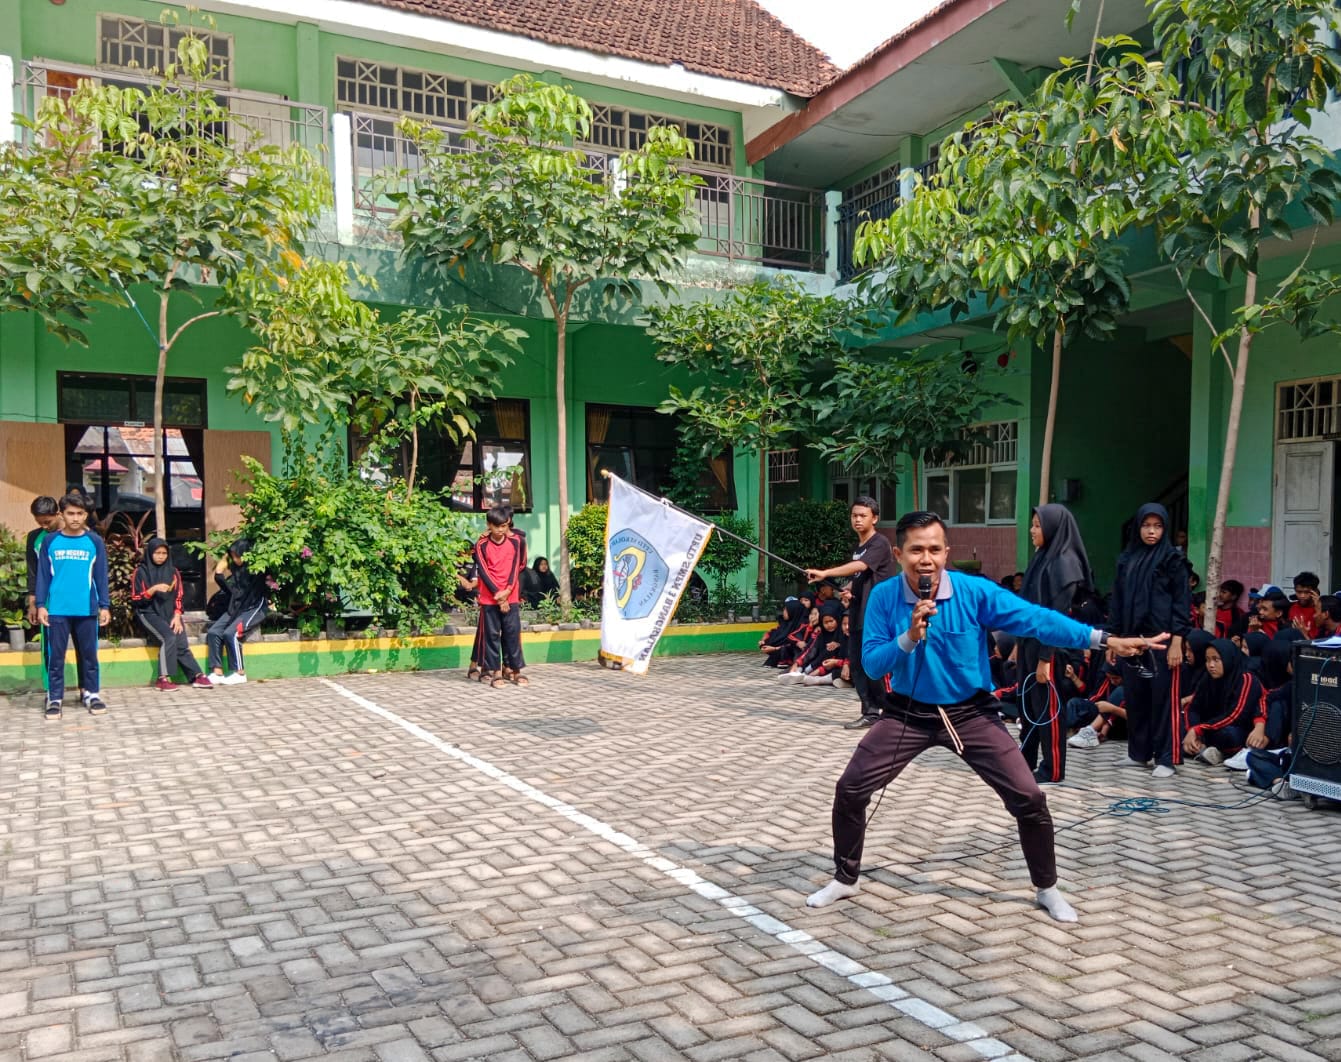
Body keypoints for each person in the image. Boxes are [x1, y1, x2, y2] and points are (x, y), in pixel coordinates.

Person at [805, 511, 1163, 922]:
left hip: (970, 713)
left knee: (1029, 798)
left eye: (935, 549)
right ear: (900, 555)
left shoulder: (974, 591)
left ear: (946, 552)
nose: (926, 559)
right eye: (917, 550)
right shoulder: (884, 597)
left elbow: (1035, 619)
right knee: (850, 789)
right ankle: (845, 878)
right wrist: (909, 636)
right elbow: (871, 664)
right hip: (907, 714)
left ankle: (1047, 888)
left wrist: (1103, 639)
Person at [1108, 503, 1192, 779]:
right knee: (1136, 696)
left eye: (1157, 526)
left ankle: (1166, 758)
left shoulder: (1173, 560)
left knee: (1163, 699)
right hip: (1133, 639)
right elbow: (1117, 600)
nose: (1151, 531)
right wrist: (1113, 638)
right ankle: (1139, 753)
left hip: (1164, 640)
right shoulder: (1127, 559)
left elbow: (1181, 602)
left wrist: (1178, 641)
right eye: (1146, 526)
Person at [1017, 504, 1095, 784]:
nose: (1032, 530)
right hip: (1030, 642)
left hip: (1050, 650)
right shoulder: (1043, 558)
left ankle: (1053, 768)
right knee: (1028, 705)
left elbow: (1057, 616)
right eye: (1033, 524)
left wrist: (1045, 659)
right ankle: (1025, 761)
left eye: (1038, 525)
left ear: (1052, 528)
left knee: (1048, 710)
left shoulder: (1064, 563)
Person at [805, 496, 896, 730]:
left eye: (863, 516)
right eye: (854, 515)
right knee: (857, 664)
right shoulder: (860, 548)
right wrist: (849, 588)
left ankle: (890, 712)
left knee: (874, 665)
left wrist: (826, 573)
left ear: (875, 519)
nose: (857, 519)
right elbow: (861, 577)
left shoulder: (879, 543)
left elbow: (860, 566)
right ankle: (870, 712)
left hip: (876, 615)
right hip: (857, 612)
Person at [35, 492, 110, 719]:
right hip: (57, 609)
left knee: (89, 655)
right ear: (62, 514)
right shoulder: (50, 541)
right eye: (70, 513)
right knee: (56, 656)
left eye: (79, 513)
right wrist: (41, 604)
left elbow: (101, 576)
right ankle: (55, 698)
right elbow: (43, 576)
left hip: (86, 608)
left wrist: (104, 605)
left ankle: (91, 694)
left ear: (85, 515)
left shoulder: (94, 541)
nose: (75, 518)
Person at [132, 537, 212, 690]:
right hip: (148, 612)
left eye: (164, 553)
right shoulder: (141, 572)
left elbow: (179, 596)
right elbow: (136, 599)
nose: (161, 556)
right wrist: (153, 589)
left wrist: (177, 615)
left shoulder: (173, 572)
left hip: (170, 613)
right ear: (150, 553)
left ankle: (197, 675)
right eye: (157, 553)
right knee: (168, 637)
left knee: (181, 642)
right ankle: (163, 678)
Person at [1182, 638, 1267, 765]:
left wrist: (1199, 730)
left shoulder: (1246, 679)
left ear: (1228, 658)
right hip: (1209, 727)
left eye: (1216, 660)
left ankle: (1209, 749)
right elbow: (1193, 707)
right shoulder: (1207, 678)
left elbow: (1235, 715)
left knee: (1228, 735)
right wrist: (1192, 729)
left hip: (1234, 728)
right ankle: (1199, 746)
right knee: (1177, 725)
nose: (1211, 665)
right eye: (1207, 660)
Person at [474, 506, 527, 688]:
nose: (500, 530)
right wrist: (499, 596)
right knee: (492, 635)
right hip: (490, 597)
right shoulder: (481, 544)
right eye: (496, 526)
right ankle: (496, 672)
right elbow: (483, 571)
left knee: (512, 633)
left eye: (504, 526)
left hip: (510, 595)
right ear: (489, 525)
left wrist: (508, 591)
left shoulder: (515, 542)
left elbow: (515, 568)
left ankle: (516, 670)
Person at [205, 539, 269, 685]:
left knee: (231, 634)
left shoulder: (256, 569)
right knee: (214, 632)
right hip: (236, 607)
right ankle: (217, 672)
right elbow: (231, 591)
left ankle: (239, 673)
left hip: (253, 607)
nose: (235, 559)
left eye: (237, 556)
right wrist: (219, 573)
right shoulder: (236, 571)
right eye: (232, 556)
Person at [24, 496, 64, 697]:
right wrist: (33, 603)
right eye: (40, 523)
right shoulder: (34, 538)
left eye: (48, 522)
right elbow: (32, 572)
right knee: (49, 647)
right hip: (46, 601)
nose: (44, 526)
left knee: (82, 646)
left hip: (71, 598)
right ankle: (51, 691)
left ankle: (86, 689)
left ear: (58, 514)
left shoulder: (71, 535)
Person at [1289, 571, 1322, 639]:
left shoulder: (1322, 608)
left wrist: (1318, 608)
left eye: (1306, 592)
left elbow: (1321, 626)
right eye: (1299, 592)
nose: (1302, 596)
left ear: (1314, 591)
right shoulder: (1293, 608)